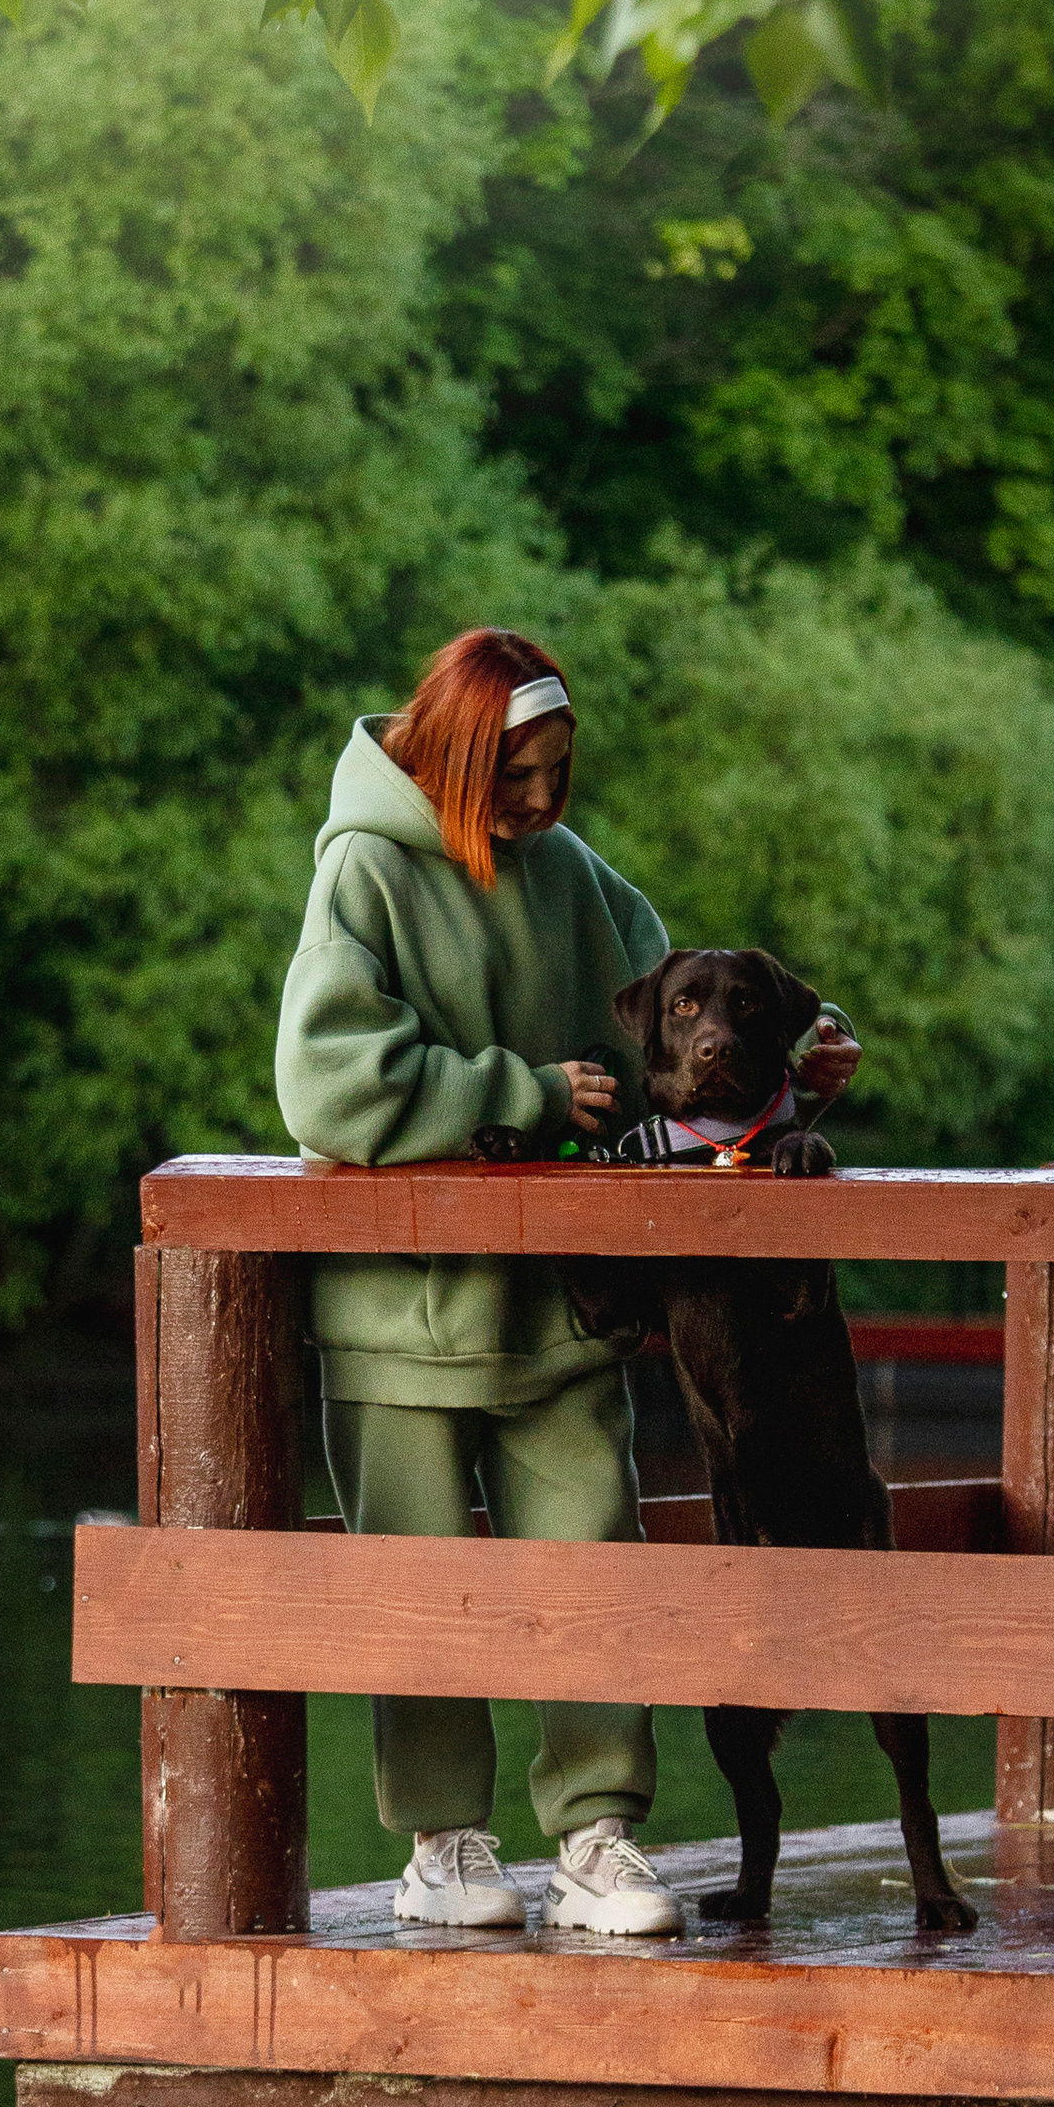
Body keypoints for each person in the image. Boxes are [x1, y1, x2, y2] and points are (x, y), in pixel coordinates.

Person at [273, 627, 683, 1938]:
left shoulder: (570, 875)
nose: (544, 804)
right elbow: (326, 1080)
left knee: (592, 1563)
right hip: (401, 1307)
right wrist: (525, 1095)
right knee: (423, 1583)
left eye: (562, 774)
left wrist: (786, 1061)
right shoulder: (365, 871)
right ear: (456, 756)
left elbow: (669, 1021)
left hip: (559, 1303)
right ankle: (447, 1847)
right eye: (520, 776)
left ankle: (597, 1838)